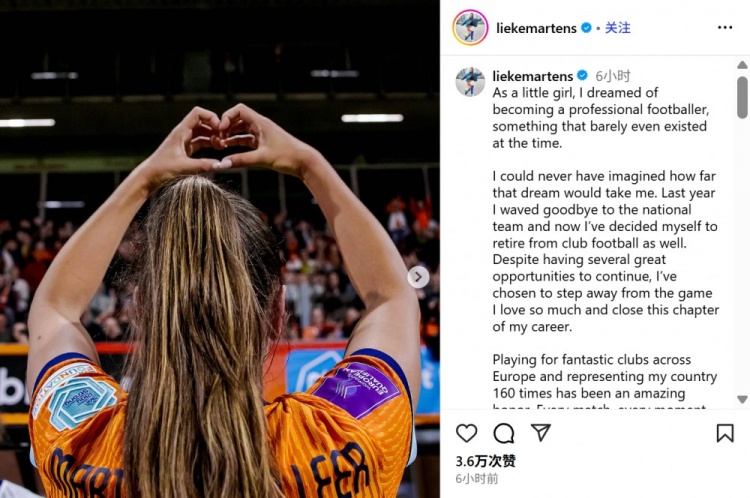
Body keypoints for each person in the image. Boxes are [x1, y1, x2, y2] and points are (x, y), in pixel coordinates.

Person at [26, 105, 421, 497]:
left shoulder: (84, 444)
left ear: (141, 311)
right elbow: (392, 299)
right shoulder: (340, 440)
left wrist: (143, 180)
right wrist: (309, 164)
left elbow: (56, 310)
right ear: (276, 313)